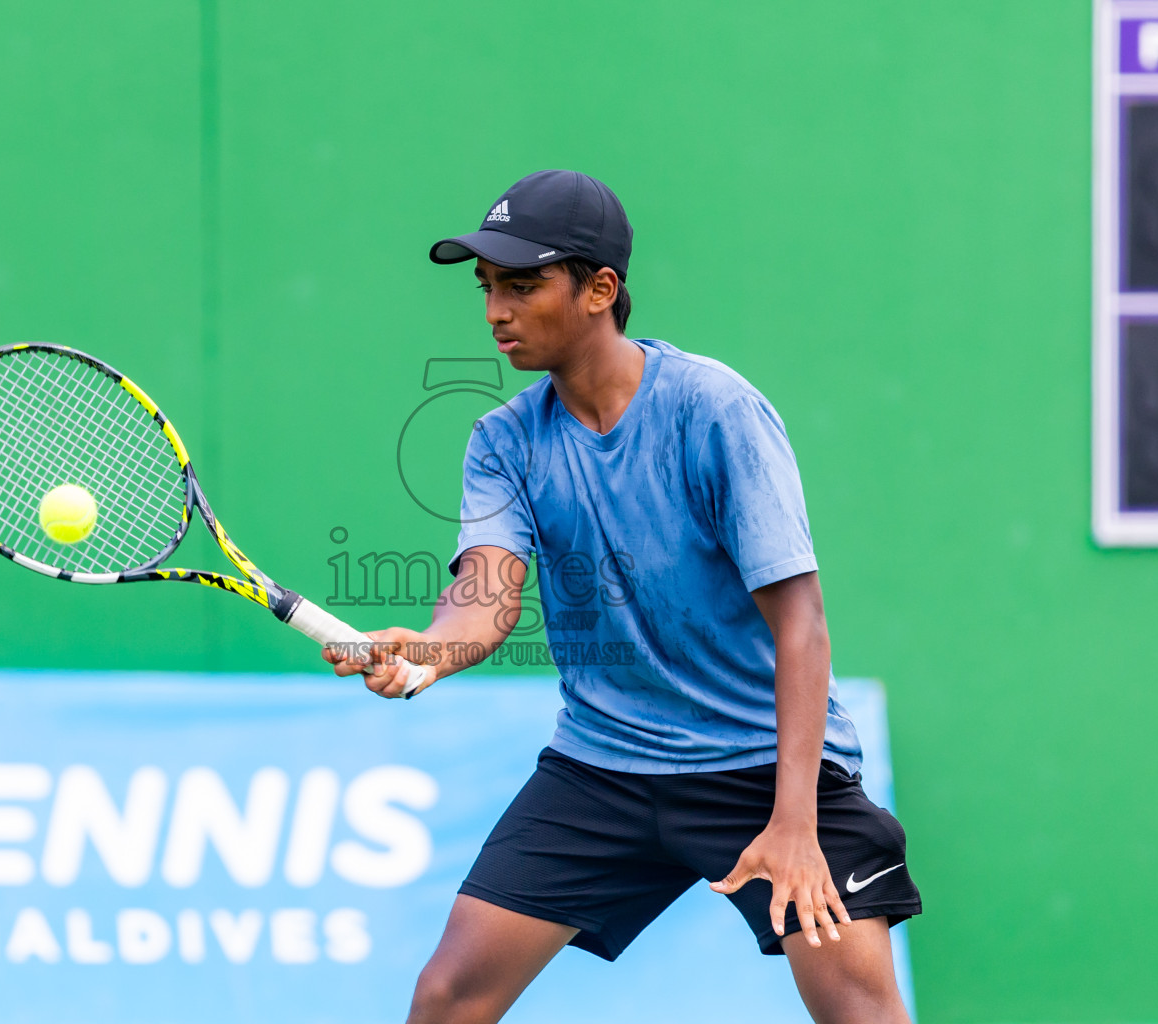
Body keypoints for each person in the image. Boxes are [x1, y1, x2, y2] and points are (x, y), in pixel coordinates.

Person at [324, 169, 921, 1024]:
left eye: (522, 286)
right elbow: (485, 602)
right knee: (448, 995)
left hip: (765, 765)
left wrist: (794, 822)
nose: (496, 311)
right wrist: (426, 649)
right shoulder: (502, 441)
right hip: (604, 765)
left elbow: (801, 623)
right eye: (487, 287)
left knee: (859, 1012)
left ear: (601, 289)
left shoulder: (714, 410)